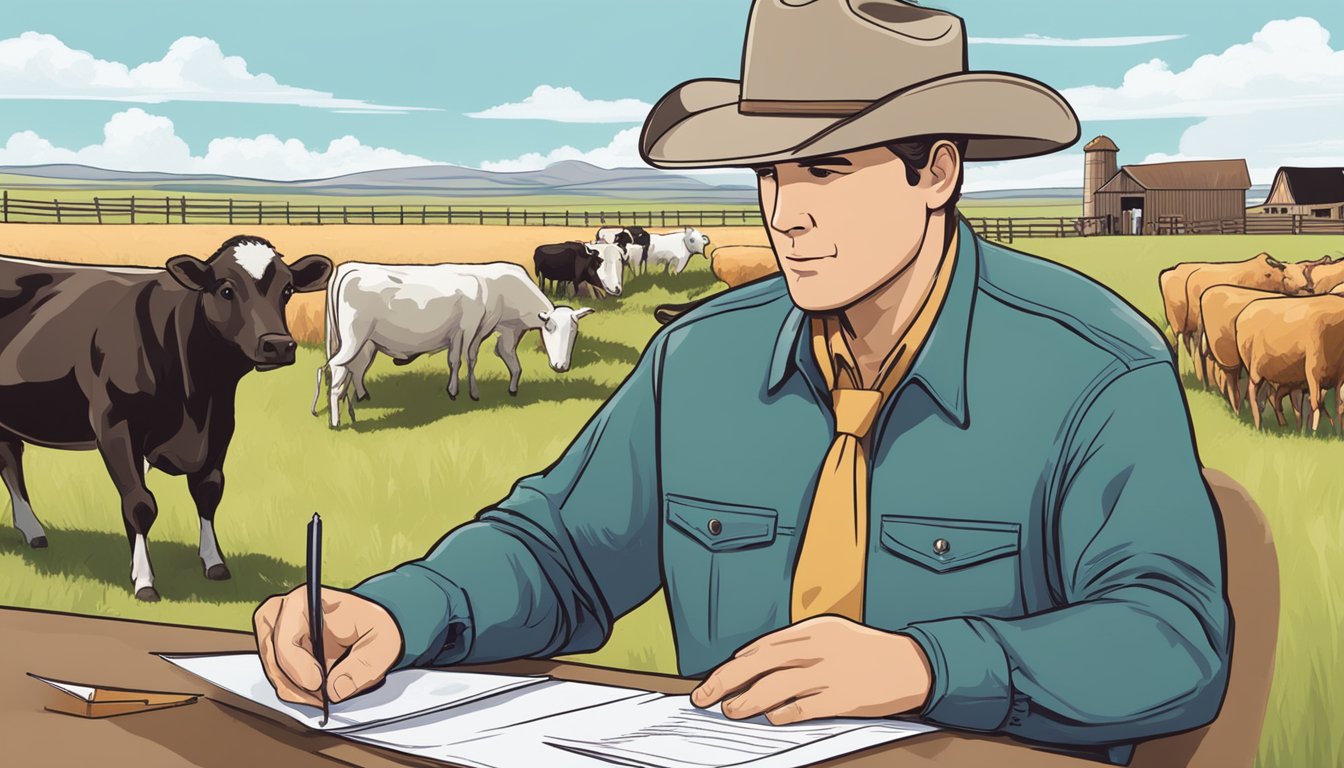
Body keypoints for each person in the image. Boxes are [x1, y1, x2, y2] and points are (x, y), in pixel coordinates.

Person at [253, 1, 1230, 764]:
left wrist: (925, 665)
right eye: (769, 174)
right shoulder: (701, 362)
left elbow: (1170, 640)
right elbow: (560, 552)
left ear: (936, 172)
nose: (785, 214)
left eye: (827, 171)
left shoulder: (1095, 369)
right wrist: (393, 612)